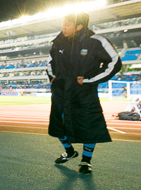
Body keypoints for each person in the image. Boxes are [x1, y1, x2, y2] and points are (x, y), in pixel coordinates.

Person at [47, 12, 121, 175]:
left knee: (89, 126)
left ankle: (86, 161)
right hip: (60, 92)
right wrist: (53, 78)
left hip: (84, 94)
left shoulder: (96, 41)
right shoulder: (57, 42)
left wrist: (89, 79)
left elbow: (115, 62)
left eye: (67, 24)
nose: (63, 28)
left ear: (79, 26)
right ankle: (70, 151)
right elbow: (49, 62)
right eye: (63, 23)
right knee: (58, 126)